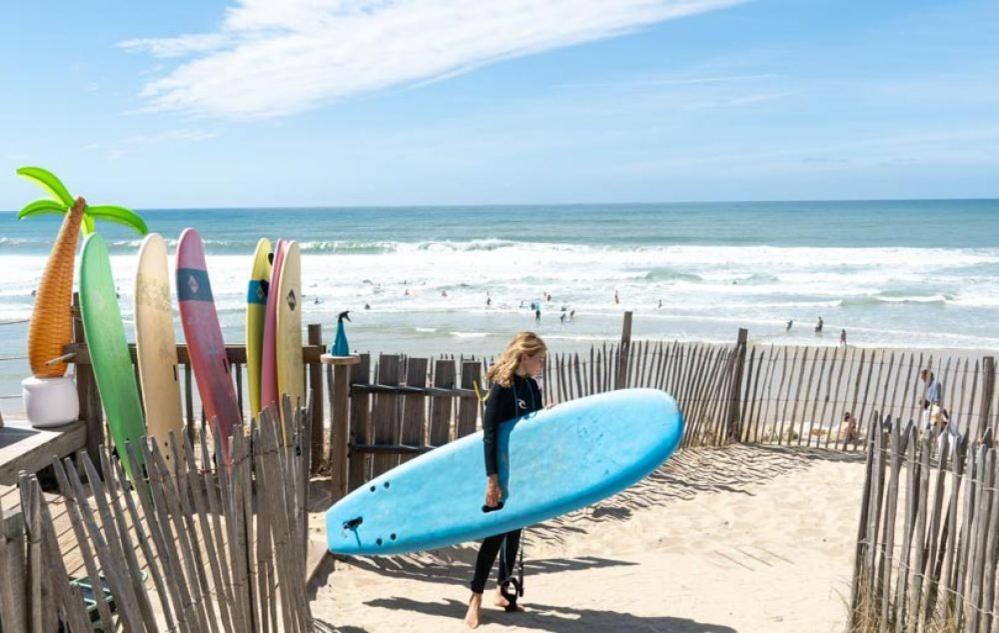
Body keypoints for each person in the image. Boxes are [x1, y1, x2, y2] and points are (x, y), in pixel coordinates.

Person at [465, 333, 548, 629]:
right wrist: (492, 479)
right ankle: (474, 598)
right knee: (496, 533)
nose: (541, 364)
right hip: (500, 471)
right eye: (539, 358)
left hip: (522, 472)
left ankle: (502, 590)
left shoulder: (532, 387)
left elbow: (533, 430)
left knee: (515, 531)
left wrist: (545, 417)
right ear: (525, 356)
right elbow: (489, 435)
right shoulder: (501, 388)